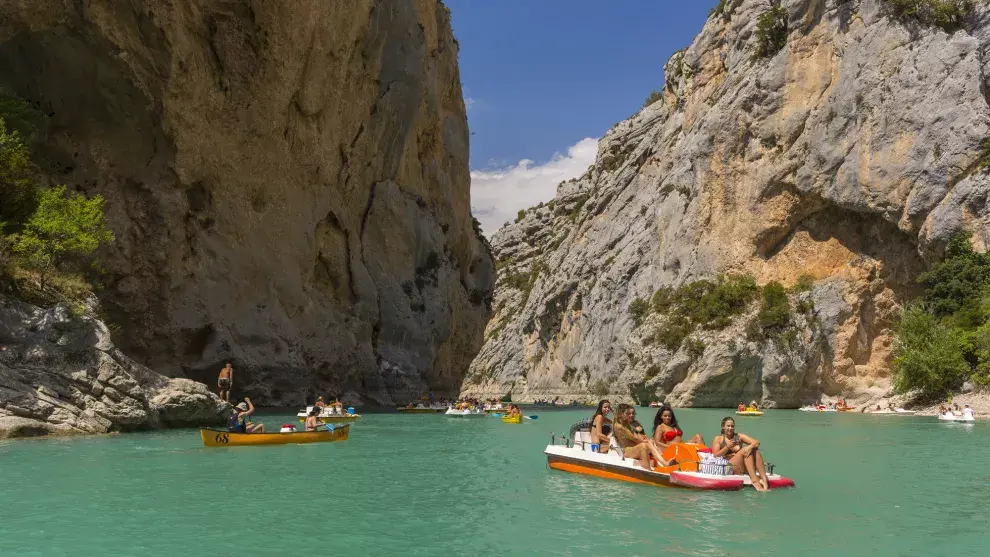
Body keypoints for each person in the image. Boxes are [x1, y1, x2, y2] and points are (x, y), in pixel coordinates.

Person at [711, 417, 767, 491]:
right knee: (745, 450)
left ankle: (764, 480)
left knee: (754, 449)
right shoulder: (718, 439)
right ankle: (755, 480)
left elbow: (756, 442)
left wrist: (749, 447)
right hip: (729, 467)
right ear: (723, 427)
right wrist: (728, 447)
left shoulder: (739, 436)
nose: (730, 428)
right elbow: (715, 456)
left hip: (741, 466)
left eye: (732, 426)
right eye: (728, 426)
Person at [613, 404, 668, 470]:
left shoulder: (626, 424)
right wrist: (646, 442)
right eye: (627, 413)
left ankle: (663, 462)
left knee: (649, 442)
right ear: (620, 414)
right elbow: (634, 438)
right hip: (627, 451)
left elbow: (636, 436)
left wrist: (647, 441)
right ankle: (652, 467)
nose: (628, 415)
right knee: (643, 445)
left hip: (633, 449)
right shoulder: (618, 426)